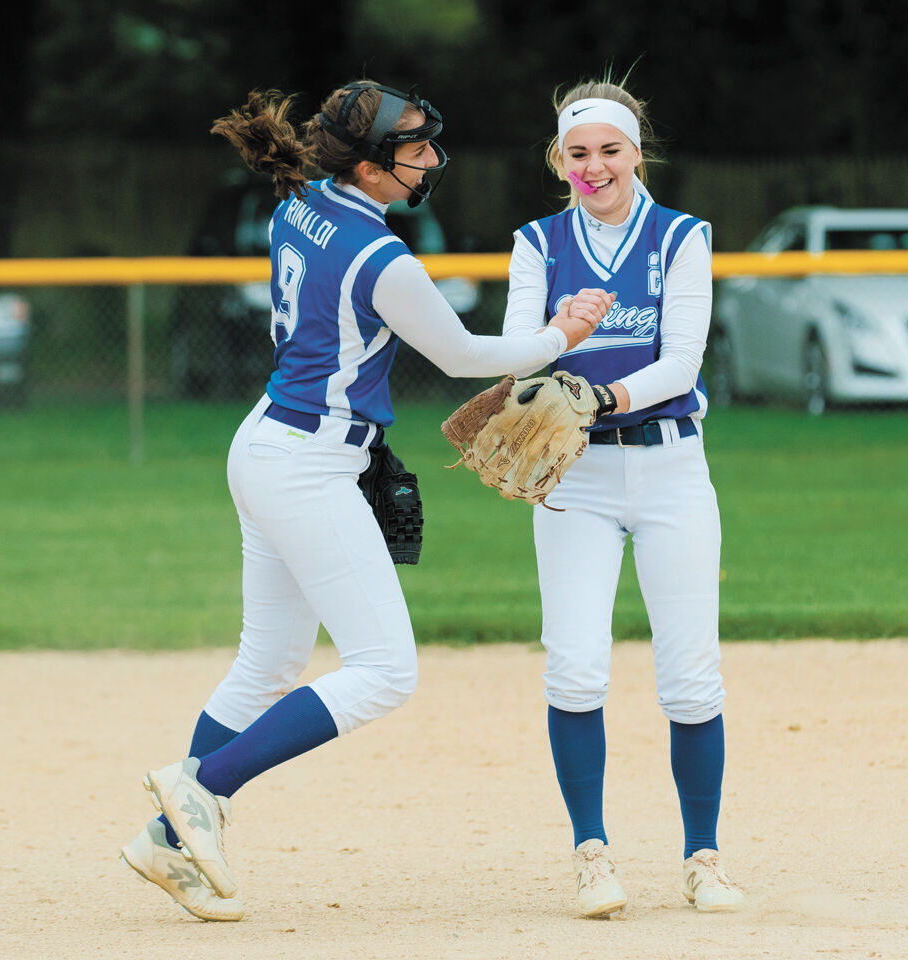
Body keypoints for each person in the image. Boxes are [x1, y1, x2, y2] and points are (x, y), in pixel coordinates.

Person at [119, 81, 614, 922]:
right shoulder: (379, 256)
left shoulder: (301, 202)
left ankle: (167, 837)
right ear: (369, 162)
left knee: (268, 662)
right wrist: (563, 336)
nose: (427, 160)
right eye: (412, 147)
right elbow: (460, 354)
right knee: (385, 670)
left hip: (267, 444)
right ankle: (199, 790)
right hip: (307, 462)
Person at [502, 79, 745, 918]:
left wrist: (598, 396)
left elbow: (681, 362)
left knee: (690, 677)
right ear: (558, 160)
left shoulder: (681, 237)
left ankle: (703, 858)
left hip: (672, 468)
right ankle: (591, 853)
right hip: (575, 476)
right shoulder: (537, 242)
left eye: (610, 149)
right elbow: (518, 365)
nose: (594, 166)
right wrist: (555, 333)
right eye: (577, 153)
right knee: (574, 663)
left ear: (638, 151)